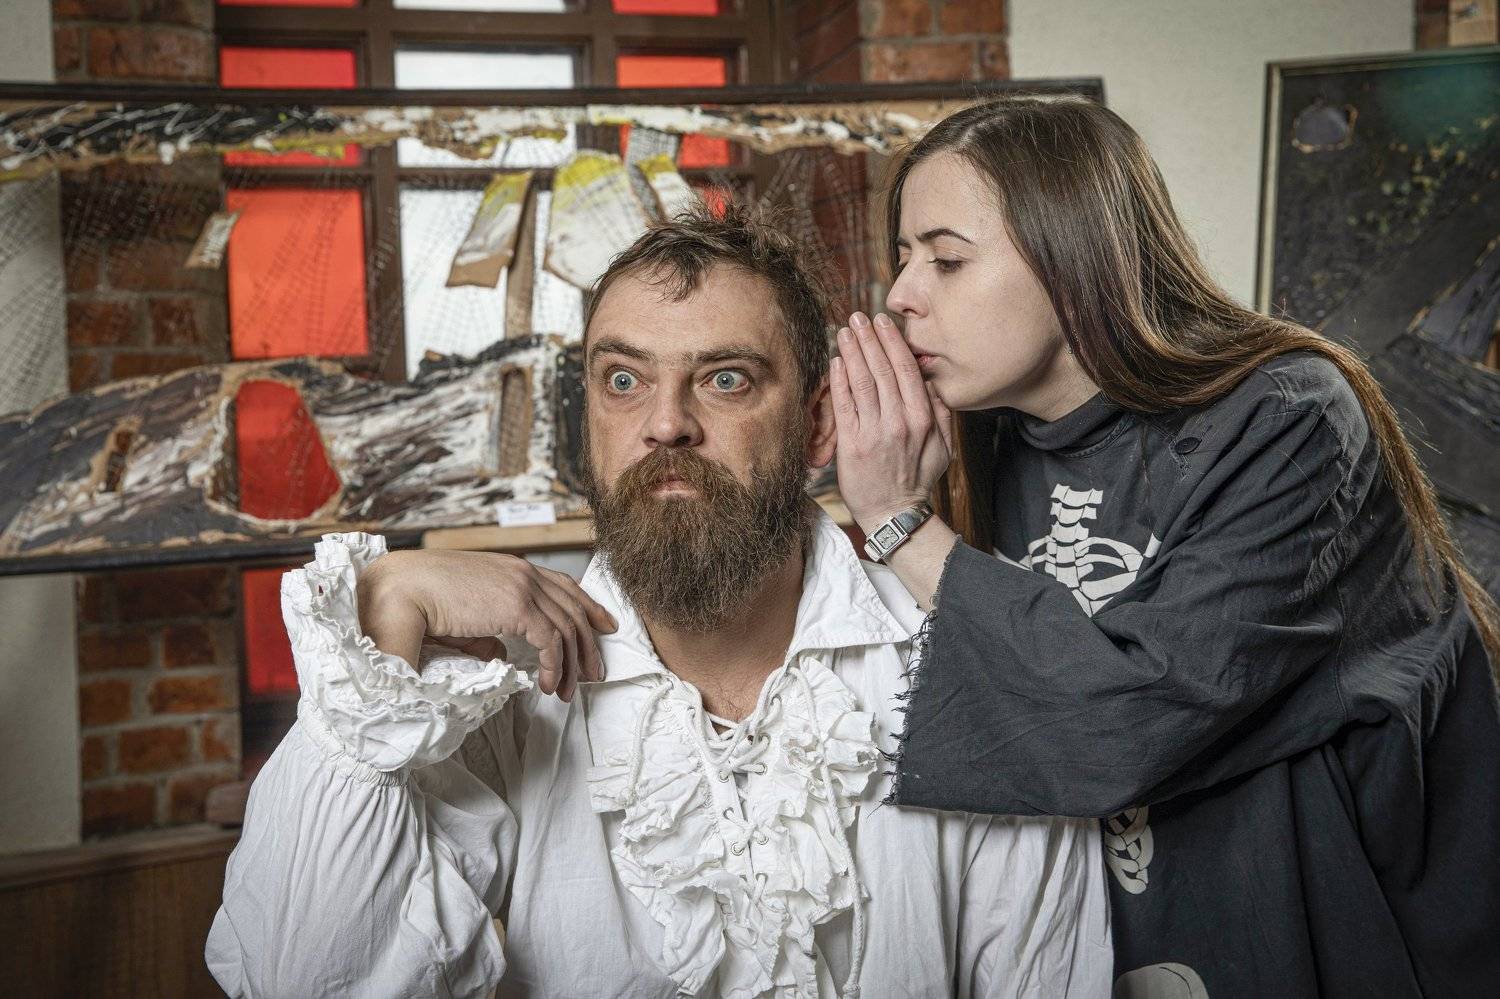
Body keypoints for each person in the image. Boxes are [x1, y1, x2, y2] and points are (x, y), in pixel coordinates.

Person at [206, 204, 1113, 998]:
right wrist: (387, 611)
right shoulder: (492, 690)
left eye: (725, 378)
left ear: (817, 425)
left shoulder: (961, 667)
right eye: (624, 379)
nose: (665, 422)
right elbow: (298, 978)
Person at [826, 96, 1500, 998]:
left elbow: (1125, 721)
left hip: (1319, 944)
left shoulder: (1289, 417)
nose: (902, 294)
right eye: (904, 257)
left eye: (946, 259)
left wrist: (901, 523)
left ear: (1077, 256)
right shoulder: (983, 435)